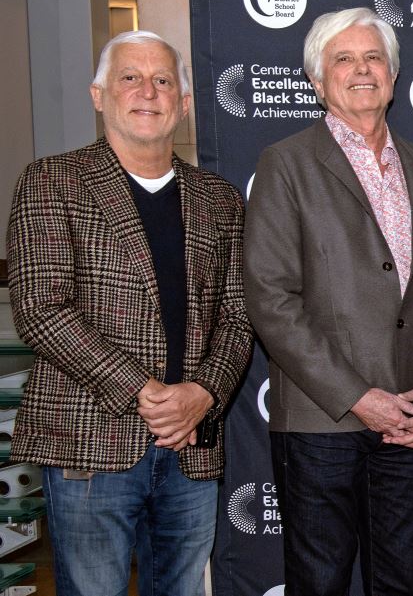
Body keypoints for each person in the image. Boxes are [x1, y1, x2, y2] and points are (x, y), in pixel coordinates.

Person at [6, 30, 253, 596]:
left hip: (192, 445)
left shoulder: (219, 199)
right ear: (99, 95)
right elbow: (42, 309)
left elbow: (240, 317)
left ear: (184, 104)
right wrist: (146, 392)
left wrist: (202, 395)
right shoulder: (51, 181)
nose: (149, 91)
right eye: (130, 78)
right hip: (89, 441)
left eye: (164, 80)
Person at [243, 7, 413, 595]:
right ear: (318, 80)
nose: (362, 69)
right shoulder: (285, 165)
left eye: (374, 58)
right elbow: (270, 299)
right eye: (345, 58)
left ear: (393, 75)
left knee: (401, 583)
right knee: (319, 584)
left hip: (410, 426)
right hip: (322, 422)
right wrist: (359, 398)